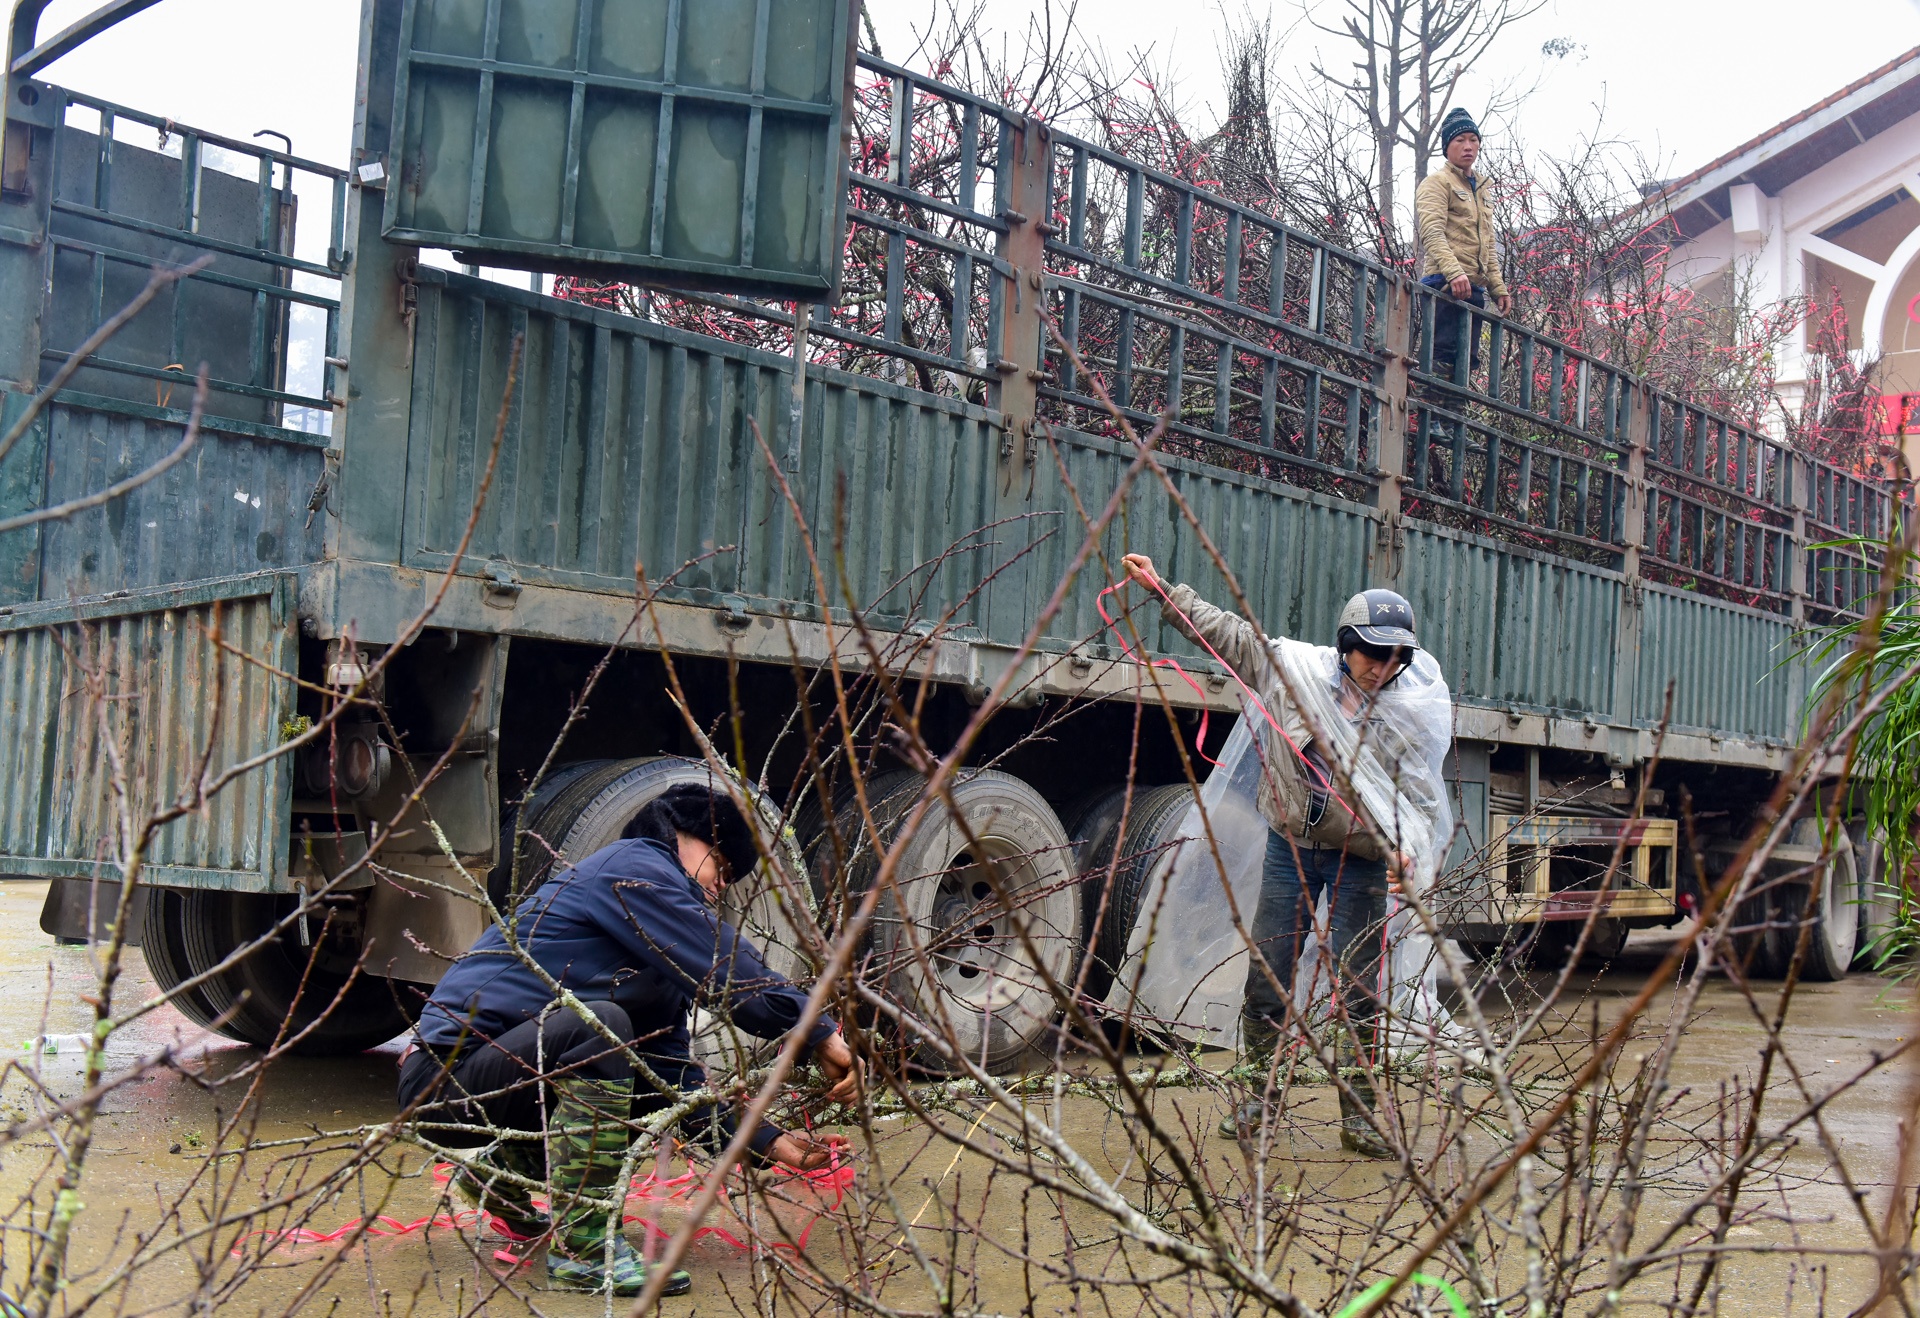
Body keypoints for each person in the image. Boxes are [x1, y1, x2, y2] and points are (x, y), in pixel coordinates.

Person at [396, 783, 860, 1295]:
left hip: (498, 1084)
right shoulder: (633, 868)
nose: (720, 890)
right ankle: (584, 1251)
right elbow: (726, 963)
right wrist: (816, 1028)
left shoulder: (650, 954)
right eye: (723, 869)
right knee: (600, 1026)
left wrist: (770, 1143)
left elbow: (670, 1081)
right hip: (442, 1081)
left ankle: (505, 1168)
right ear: (688, 836)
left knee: (633, 1070)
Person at [1121, 554, 1444, 1159]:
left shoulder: (1405, 713)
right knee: (1268, 978)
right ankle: (1256, 1101)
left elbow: (1420, 797)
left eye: (1395, 657)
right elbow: (1225, 633)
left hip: (1360, 861)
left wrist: (1409, 851)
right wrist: (1163, 591)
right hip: (1289, 850)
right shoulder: (1293, 673)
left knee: (1358, 991)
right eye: (1372, 653)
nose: (1382, 668)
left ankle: (1361, 1117)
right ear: (1346, 645)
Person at [1414, 106, 1511, 382]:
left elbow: (1488, 244)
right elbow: (1431, 232)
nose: (1468, 146)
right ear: (1447, 146)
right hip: (1443, 283)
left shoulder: (1481, 189)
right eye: (1460, 140)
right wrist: (1454, 273)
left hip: (1474, 288)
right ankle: (1429, 410)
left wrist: (1497, 288)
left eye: (1473, 139)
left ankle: (1452, 411)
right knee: (1440, 358)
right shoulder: (1437, 183)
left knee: (1465, 363)